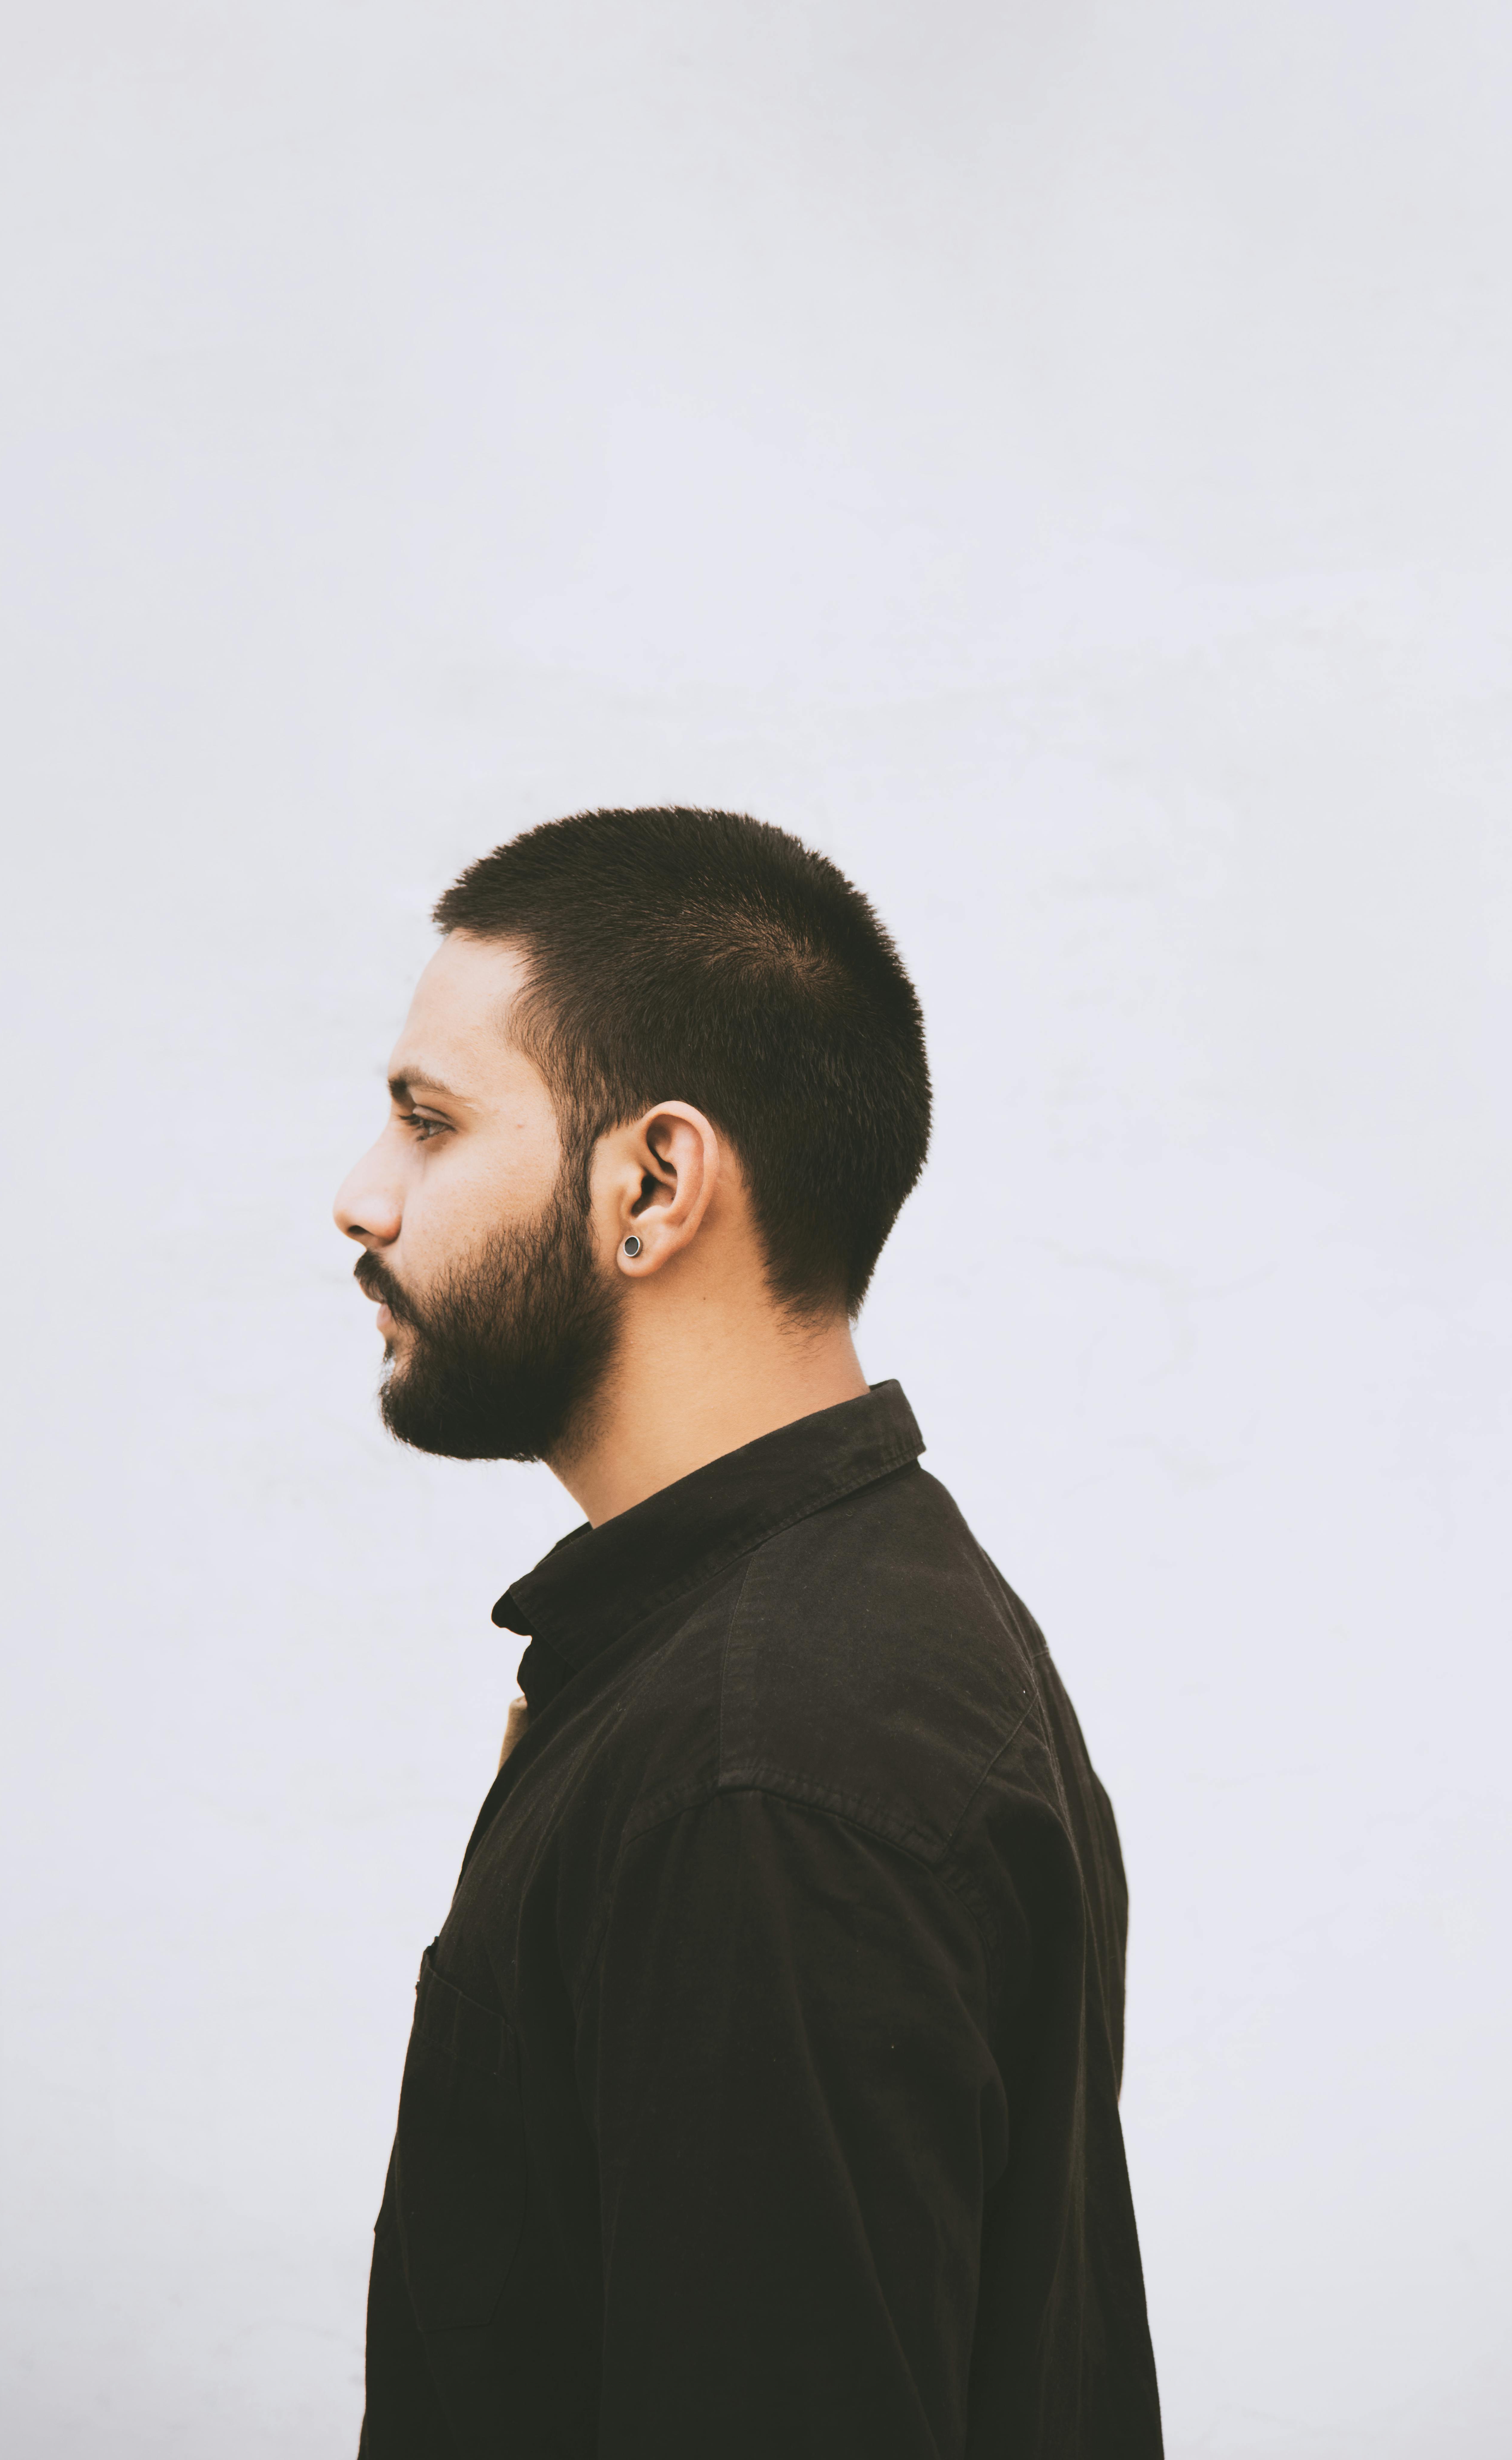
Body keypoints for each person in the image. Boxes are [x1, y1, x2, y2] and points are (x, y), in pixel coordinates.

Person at [332, 807, 1161, 2458]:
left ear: (652, 1185)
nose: (362, 1199)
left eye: (429, 1125)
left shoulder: (765, 1769)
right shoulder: (824, 1643)